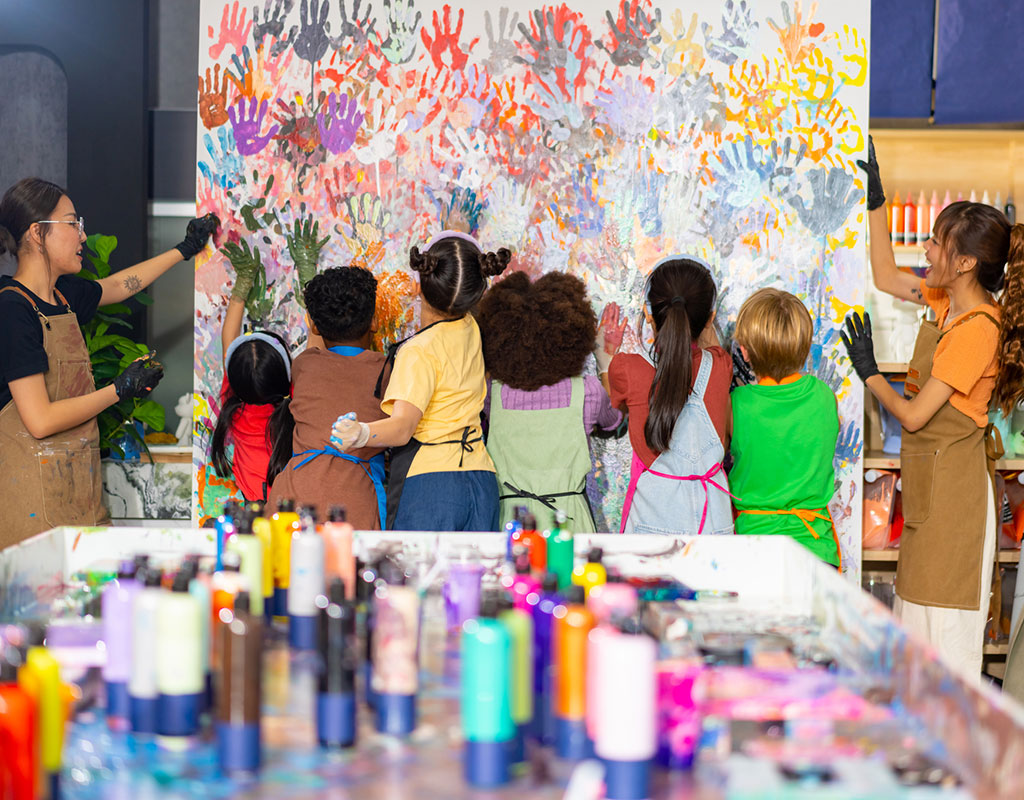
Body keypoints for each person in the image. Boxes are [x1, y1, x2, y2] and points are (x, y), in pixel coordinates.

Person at [847, 139, 1024, 679]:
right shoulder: (947, 303)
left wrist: (871, 373)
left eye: (937, 243)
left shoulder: (978, 330)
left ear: (966, 262)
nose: (925, 250)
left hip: (956, 508)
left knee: (947, 659)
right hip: (930, 495)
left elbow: (916, 415)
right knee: (916, 648)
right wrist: (877, 201)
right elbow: (883, 273)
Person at [0, 177, 216, 546]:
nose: (82, 236)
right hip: (33, 508)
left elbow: (119, 286)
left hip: (80, 496)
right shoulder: (13, 309)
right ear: (38, 233)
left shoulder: (63, 296)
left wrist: (184, 249)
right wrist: (120, 389)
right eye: (72, 224)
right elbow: (39, 419)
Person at [329, 231, 510, 531]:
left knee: (417, 578)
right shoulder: (471, 329)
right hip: (481, 479)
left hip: (433, 486)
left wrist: (360, 433)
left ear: (418, 286)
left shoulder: (417, 351)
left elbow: (402, 428)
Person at [475, 271, 623, 532]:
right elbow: (613, 423)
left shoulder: (491, 395)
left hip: (511, 525)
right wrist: (604, 363)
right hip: (569, 524)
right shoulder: (587, 392)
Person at [607, 255, 733, 534]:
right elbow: (706, 350)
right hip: (712, 521)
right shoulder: (721, 364)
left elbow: (612, 405)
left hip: (652, 524)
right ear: (710, 318)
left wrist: (604, 355)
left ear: (648, 314)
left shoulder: (626, 369)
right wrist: (705, 323)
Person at [268, 267, 389, 529]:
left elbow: (322, 353)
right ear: (375, 322)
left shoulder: (303, 365)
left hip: (292, 498)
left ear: (313, 325)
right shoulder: (387, 369)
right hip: (353, 501)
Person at [729, 288, 841, 567]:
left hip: (754, 551)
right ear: (804, 346)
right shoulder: (825, 396)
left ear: (744, 351)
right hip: (816, 550)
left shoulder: (736, 405)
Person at [209, 256, 293, 503]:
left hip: (252, 505)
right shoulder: (292, 406)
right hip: (287, 505)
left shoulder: (235, 408)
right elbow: (316, 353)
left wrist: (243, 282)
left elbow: (229, 338)